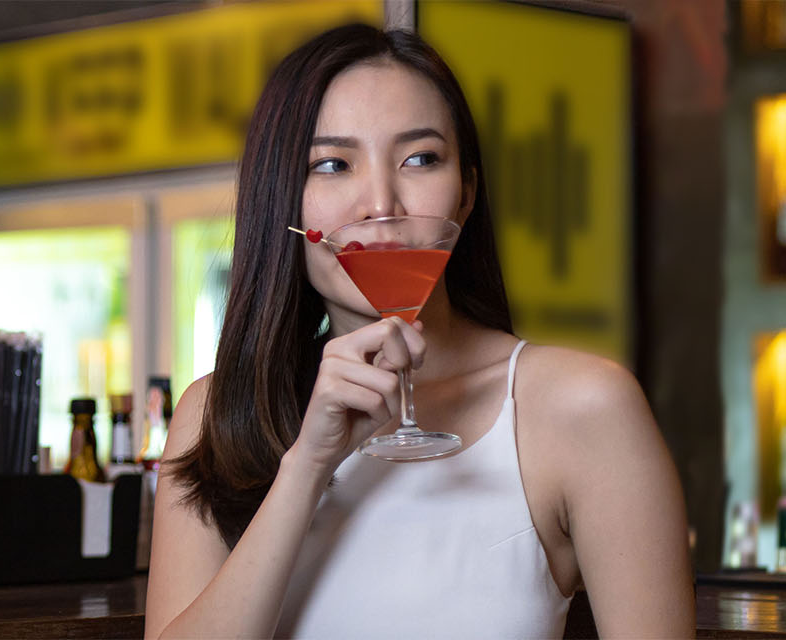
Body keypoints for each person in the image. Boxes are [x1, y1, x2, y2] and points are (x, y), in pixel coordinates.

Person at [145, 24, 693, 639]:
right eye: (332, 164)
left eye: (420, 158)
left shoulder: (584, 408)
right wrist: (307, 467)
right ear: (284, 207)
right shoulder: (213, 415)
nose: (381, 204)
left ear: (465, 194)